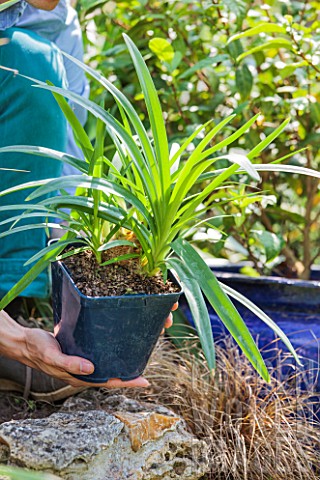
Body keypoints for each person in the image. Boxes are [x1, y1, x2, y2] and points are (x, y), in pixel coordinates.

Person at [0, 0, 176, 401]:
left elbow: (58, 170)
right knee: (29, 63)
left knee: (35, 64)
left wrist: (92, 269)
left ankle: (14, 304)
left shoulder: (56, 26)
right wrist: (16, 342)